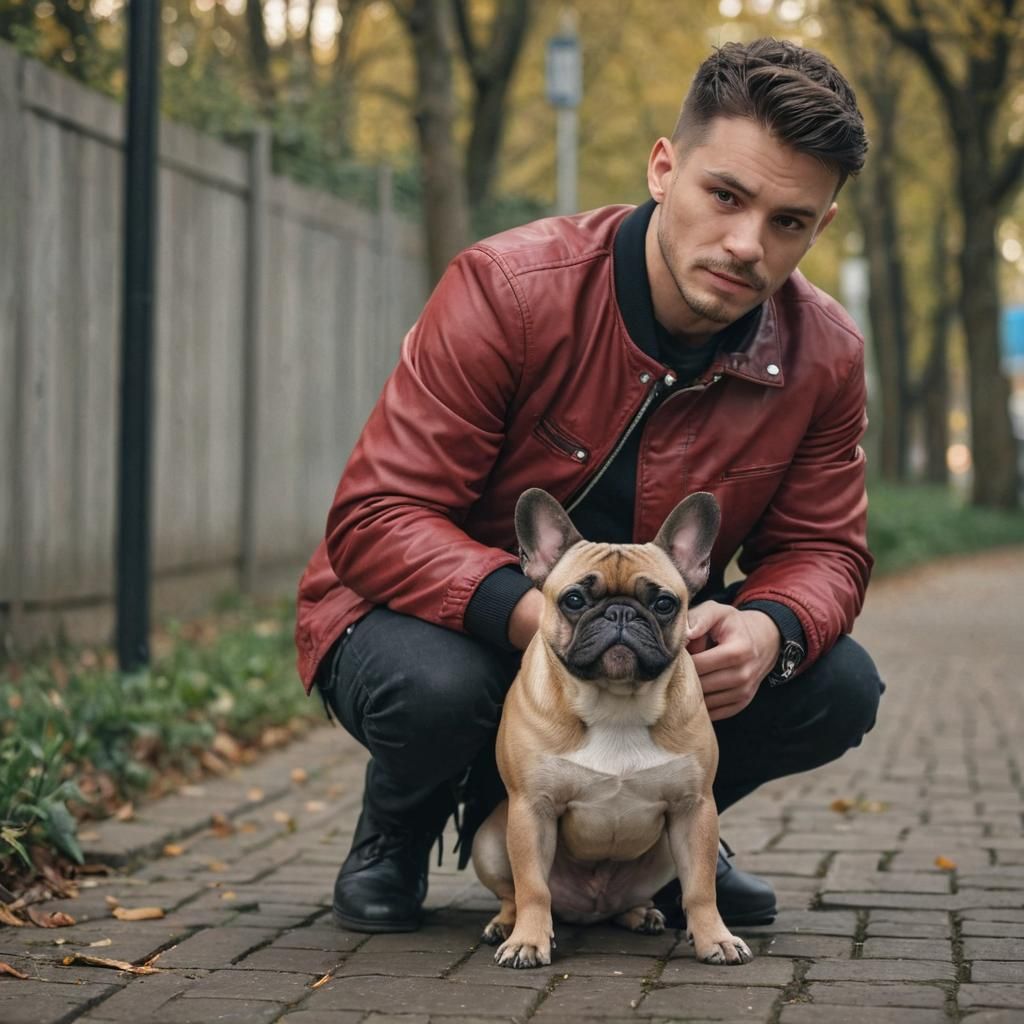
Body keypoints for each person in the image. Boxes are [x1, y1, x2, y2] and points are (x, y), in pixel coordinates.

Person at [295, 37, 884, 934]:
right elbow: (377, 515)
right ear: (662, 168)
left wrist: (770, 629)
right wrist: (537, 616)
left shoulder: (825, 355)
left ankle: (660, 821)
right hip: (438, 620)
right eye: (725, 195)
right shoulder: (507, 290)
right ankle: (400, 823)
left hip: (653, 634)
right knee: (440, 691)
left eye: (787, 222)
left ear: (821, 227)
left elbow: (826, 551)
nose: (745, 244)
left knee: (837, 682)